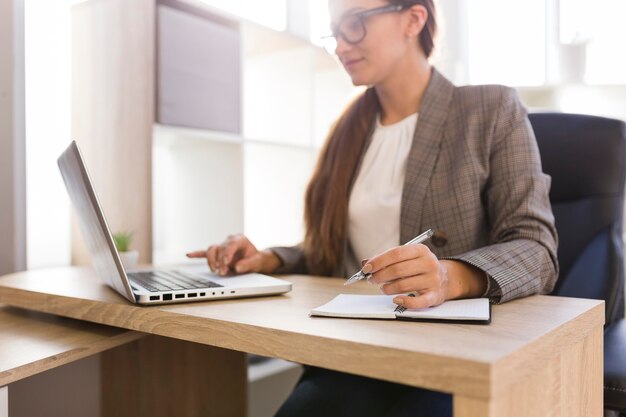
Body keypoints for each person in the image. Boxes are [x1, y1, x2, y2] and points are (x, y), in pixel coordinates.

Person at [187, 0, 558, 415]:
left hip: (449, 356)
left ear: (413, 19)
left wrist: (449, 278)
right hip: (351, 352)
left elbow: (536, 247)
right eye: (334, 32)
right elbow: (340, 254)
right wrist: (270, 258)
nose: (342, 45)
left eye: (356, 24)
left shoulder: (489, 111)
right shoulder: (347, 133)